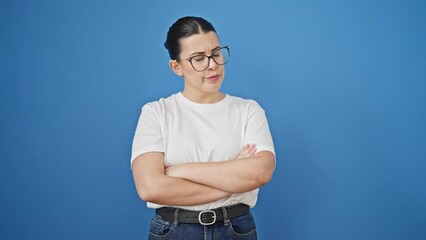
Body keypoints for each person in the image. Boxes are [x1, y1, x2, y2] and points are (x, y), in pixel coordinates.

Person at [131, 16, 276, 240]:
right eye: (199, 58)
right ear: (176, 66)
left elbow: (261, 172)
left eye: (216, 53)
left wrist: (180, 171)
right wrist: (235, 183)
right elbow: (150, 187)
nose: (212, 65)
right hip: (174, 230)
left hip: (235, 230)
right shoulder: (156, 113)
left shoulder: (248, 110)